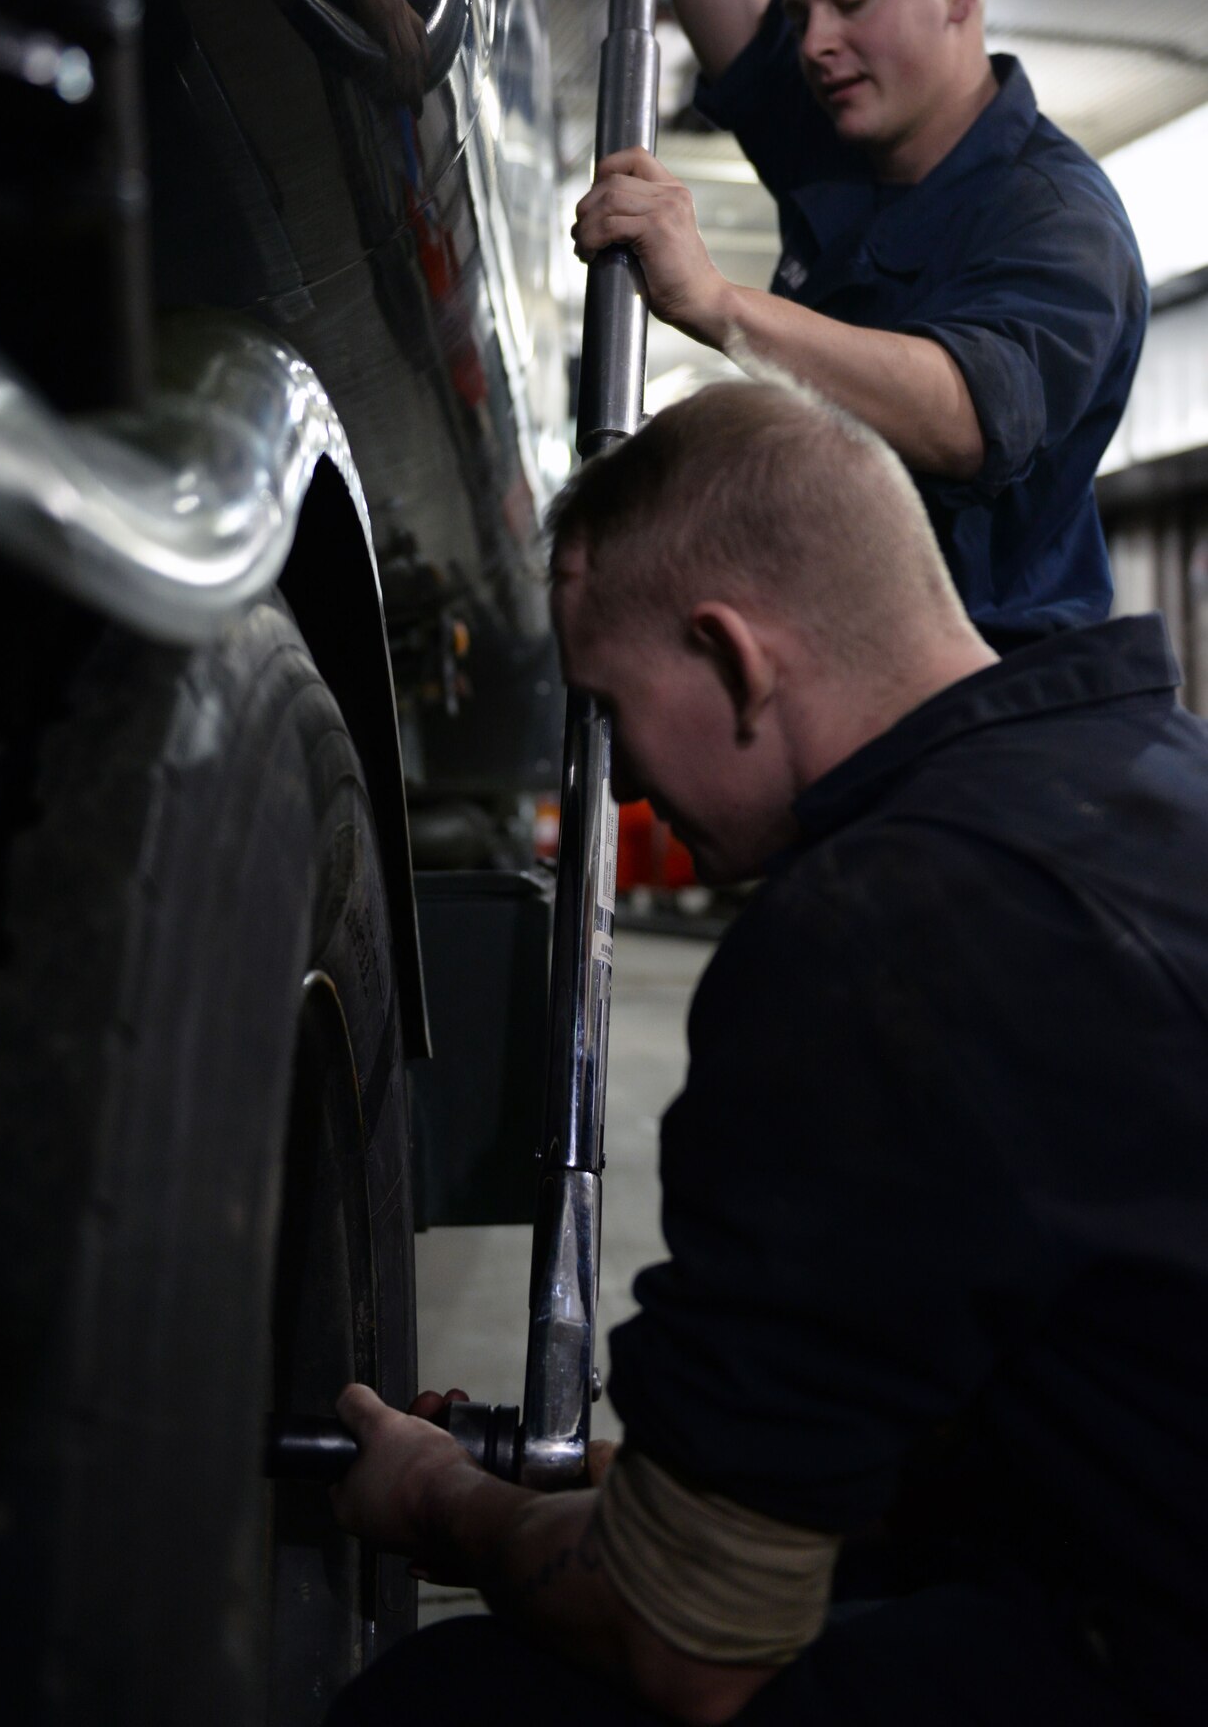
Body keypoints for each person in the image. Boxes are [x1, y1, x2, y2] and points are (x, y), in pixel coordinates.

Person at [325, 375, 1208, 1727]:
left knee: (446, 1705)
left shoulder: (876, 932)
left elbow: (695, 1650)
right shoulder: (1153, 778)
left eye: (611, 711)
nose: (616, 789)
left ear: (731, 656)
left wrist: (441, 1503)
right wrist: (654, 1481)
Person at [571, 0, 1148, 651]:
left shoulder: (1056, 217)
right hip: (844, 653)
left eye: (850, 1)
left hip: (984, 694)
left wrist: (720, 305)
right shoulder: (844, 135)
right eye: (801, 14)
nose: (813, 42)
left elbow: (964, 415)